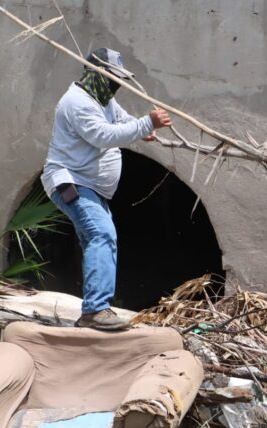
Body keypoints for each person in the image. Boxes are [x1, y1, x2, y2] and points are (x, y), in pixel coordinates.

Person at [41, 48, 172, 330]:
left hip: (92, 187)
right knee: (101, 233)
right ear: (96, 74)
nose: (114, 85)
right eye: (111, 78)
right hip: (71, 182)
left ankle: (94, 309)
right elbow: (103, 136)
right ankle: (95, 310)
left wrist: (142, 129)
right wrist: (147, 122)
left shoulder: (103, 100)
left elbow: (122, 121)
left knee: (96, 239)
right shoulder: (77, 102)